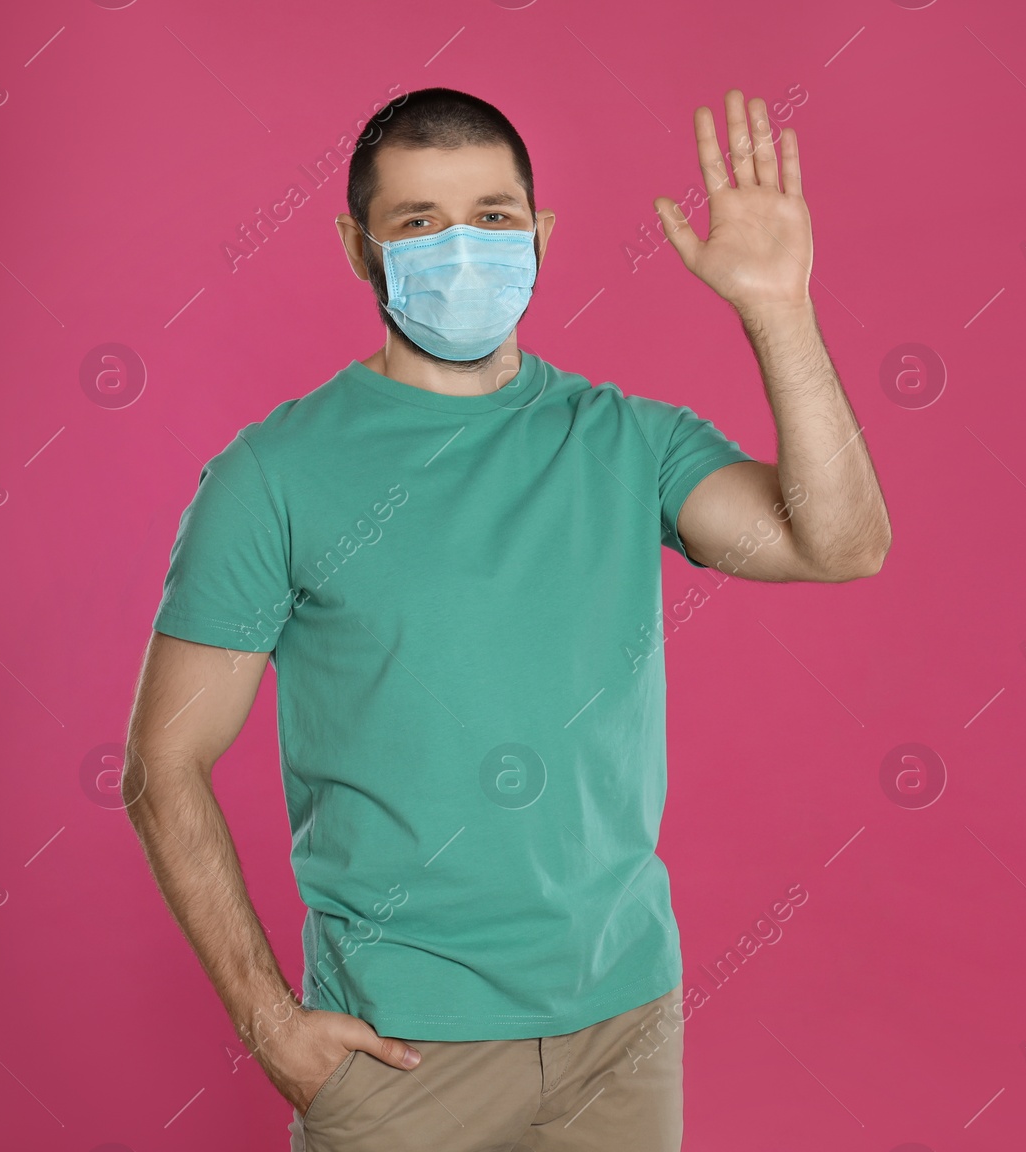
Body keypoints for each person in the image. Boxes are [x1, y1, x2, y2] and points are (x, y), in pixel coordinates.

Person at [121, 85, 890, 1152]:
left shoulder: (624, 440)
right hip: (401, 1058)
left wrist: (777, 308)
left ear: (540, 232)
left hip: (620, 1030)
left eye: (491, 217)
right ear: (360, 248)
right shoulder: (273, 476)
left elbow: (840, 543)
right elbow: (163, 766)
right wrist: (270, 1024)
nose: (464, 249)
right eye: (419, 224)